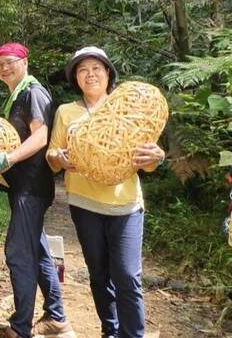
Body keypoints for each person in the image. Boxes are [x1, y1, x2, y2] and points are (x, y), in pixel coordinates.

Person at [47, 46, 164, 338]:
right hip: (84, 205)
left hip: (124, 205)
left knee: (126, 275)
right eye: (82, 69)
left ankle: (132, 334)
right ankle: (110, 331)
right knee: (99, 275)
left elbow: (146, 163)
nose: (90, 74)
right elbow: (51, 156)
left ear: (108, 73)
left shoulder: (129, 108)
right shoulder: (66, 112)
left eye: (96, 68)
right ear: (75, 77)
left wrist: (156, 157)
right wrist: (59, 159)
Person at [0, 42, 74, 338]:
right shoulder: (16, 95)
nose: (4, 68)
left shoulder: (33, 92)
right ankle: (56, 317)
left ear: (25, 62)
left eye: (10, 62)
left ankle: (20, 328)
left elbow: (41, 136)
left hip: (31, 188)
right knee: (38, 250)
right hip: (22, 186)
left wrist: (8, 158)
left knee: (19, 252)